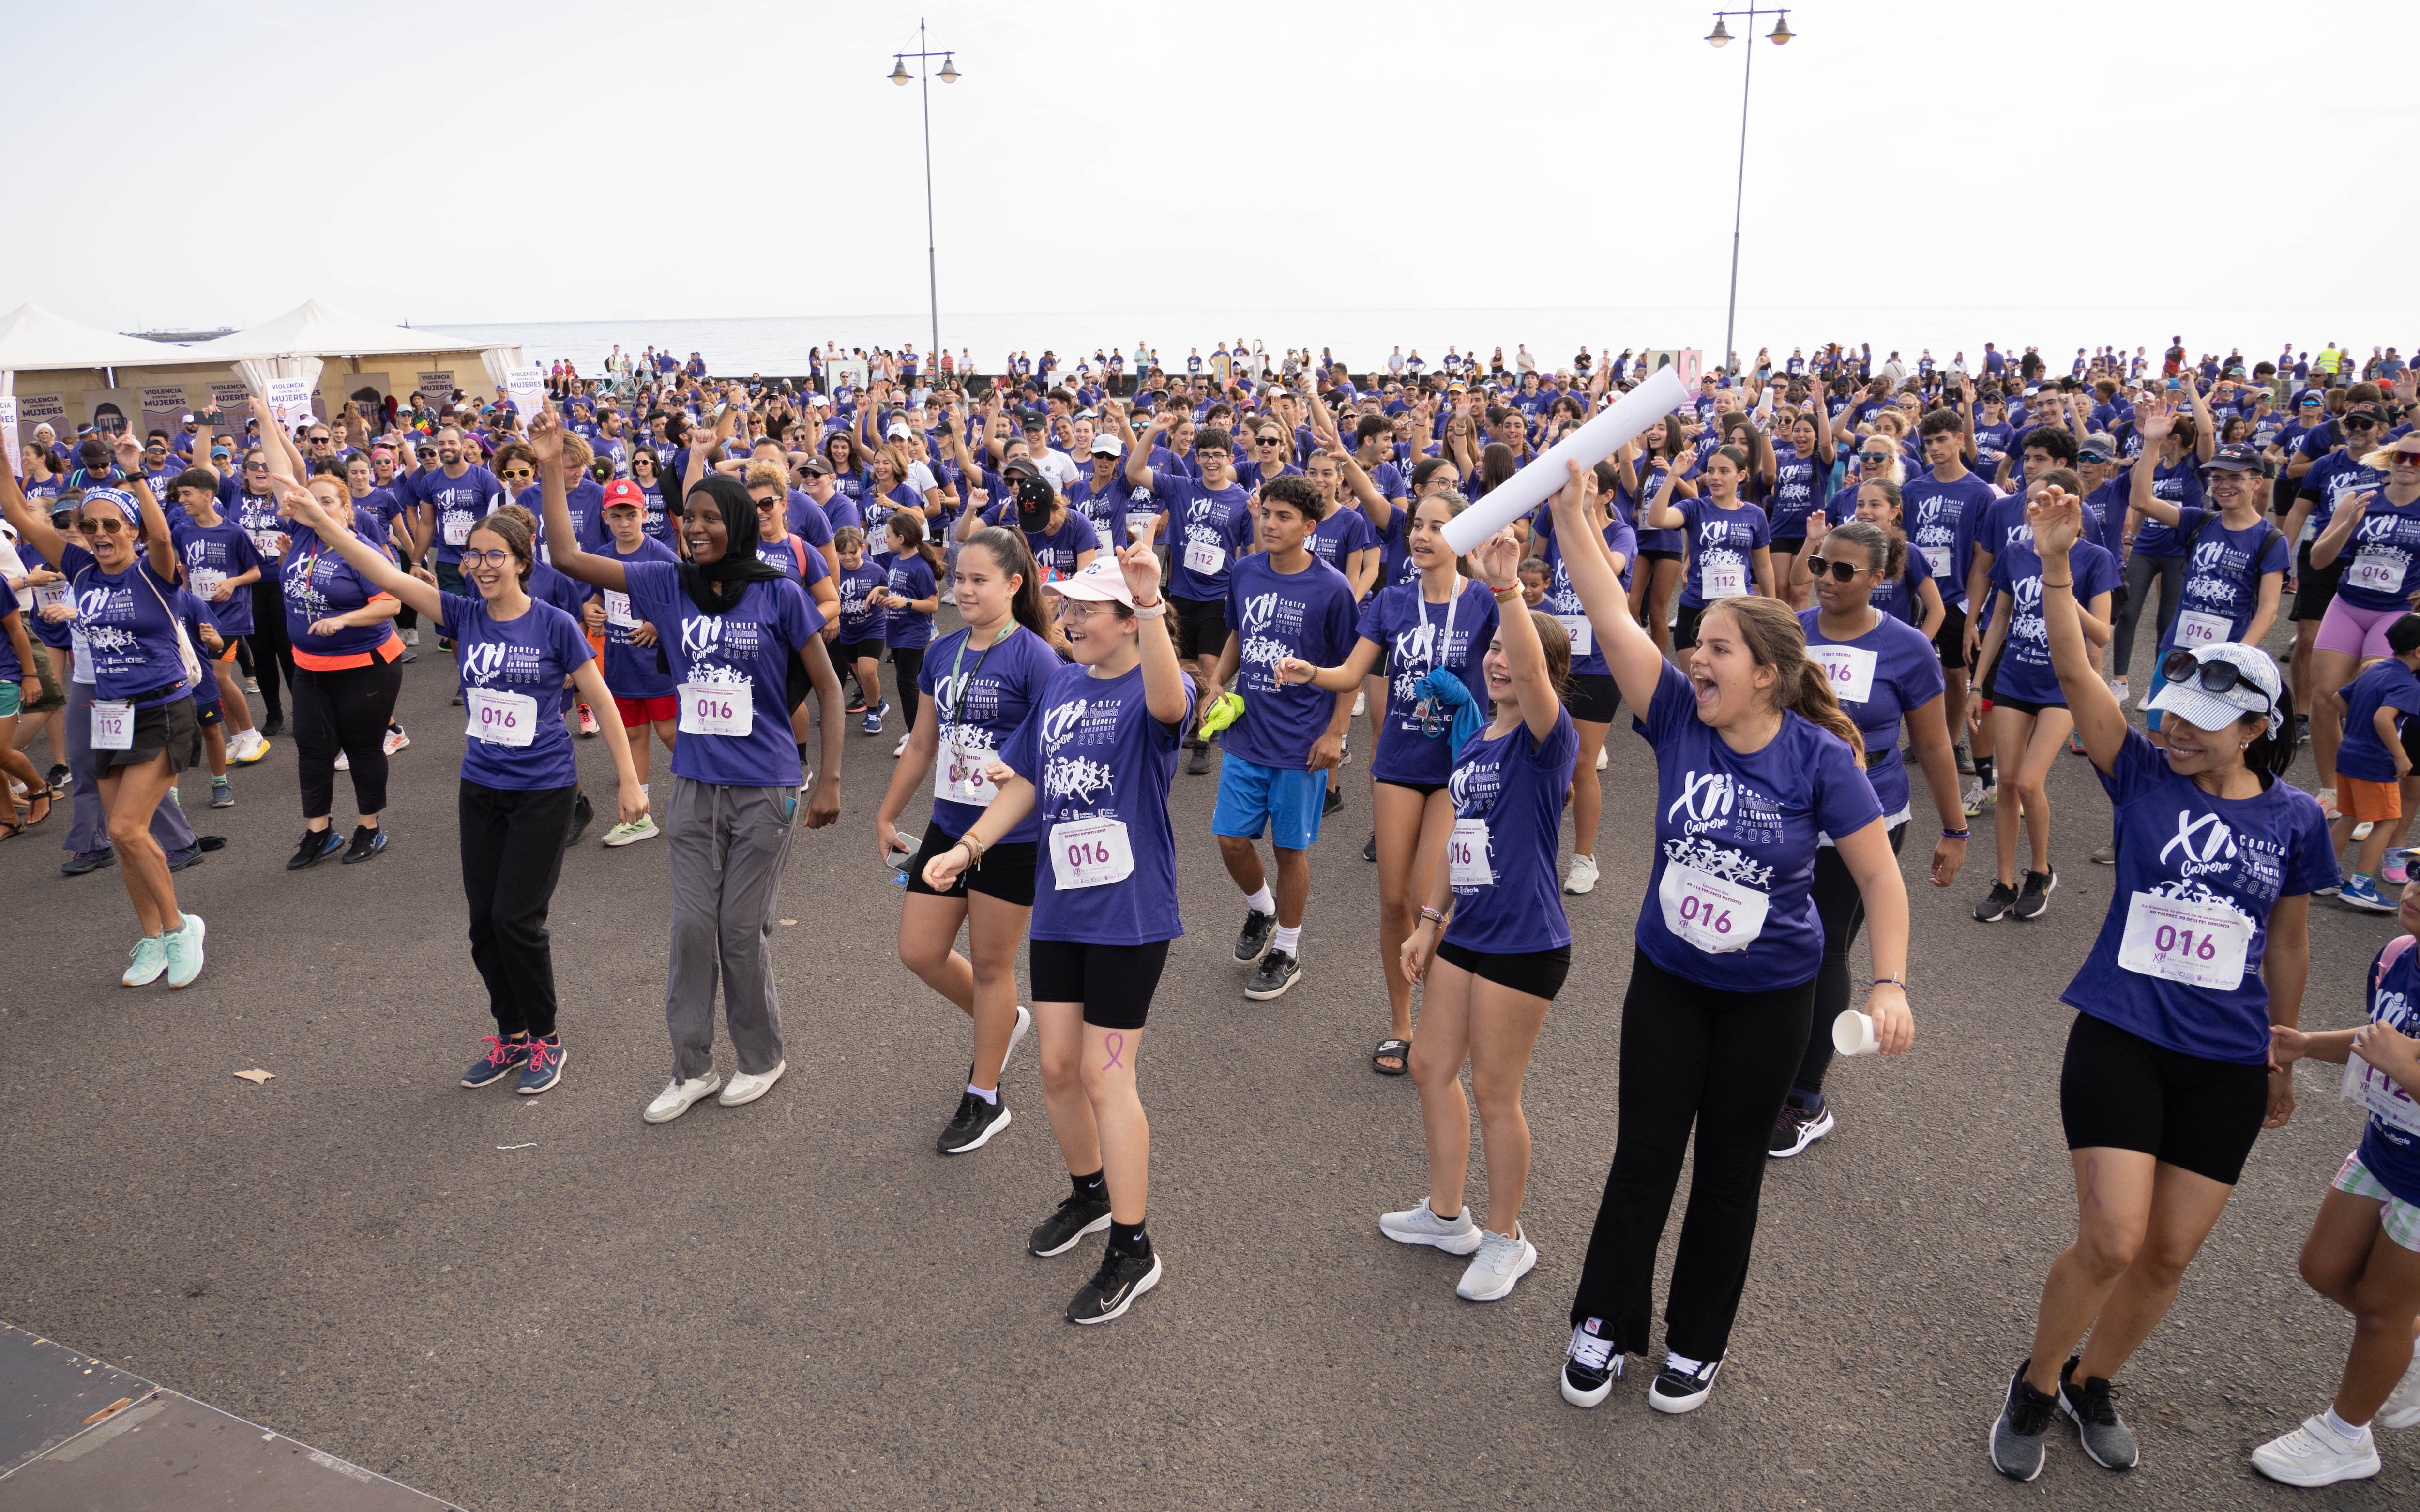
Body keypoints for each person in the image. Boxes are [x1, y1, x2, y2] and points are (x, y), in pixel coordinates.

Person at [1545, 460, 1911, 1415]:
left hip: (1769, 997)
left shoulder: (1819, 755)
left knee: (1726, 1172)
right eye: (1694, 642)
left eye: (1715, 646)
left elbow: (1877, 873)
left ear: (1766, 670)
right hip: (1667, 978)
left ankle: (1697, 1340)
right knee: (1644, 1155)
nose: (1694, 656)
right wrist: (1573, 516)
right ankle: (1605, 1320)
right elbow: (1613, 614)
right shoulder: (1677, 716)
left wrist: (1890, 981)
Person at [1988, 487, 2329, 1482]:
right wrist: (2057, 563)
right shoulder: (2138, 772)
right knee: (2110, 1236)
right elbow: (2069, 666)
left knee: (2169, 1254)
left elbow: (2292, 943)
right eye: (2174, 709)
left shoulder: (2298, 819)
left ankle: (2097, 1377)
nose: (2179, 728)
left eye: (2204, 718)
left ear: (2257, 724)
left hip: (2226, 1055)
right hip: (2124, 1033)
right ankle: (2039, 1378)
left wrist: (2284, 1049)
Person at [275, 476, 644, 1095]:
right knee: (482, 922)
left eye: (494, 555)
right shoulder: (463, 614)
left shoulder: (555, 624)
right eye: (473, 555)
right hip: (481, 786)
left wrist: (628, 785)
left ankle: (547, 1039)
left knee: (517, 919)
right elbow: (386, 575)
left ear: (522, 562)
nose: (479, 566)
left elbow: (602, 701)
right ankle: (512, 1034)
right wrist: (320, 519)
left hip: (543, 789)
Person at [532, 406, 845, 1126]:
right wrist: (552, 466)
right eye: (688, 518)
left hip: (767, 788)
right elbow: (567, 558)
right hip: (697, 788)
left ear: (737, 522)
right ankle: (693, 1067)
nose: (695, 528)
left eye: (710, 518)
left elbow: (827, 686)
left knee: (740, 930)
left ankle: (762, 1057)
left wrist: (828, 777)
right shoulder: (665, 584)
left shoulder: (778, 591)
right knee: (689, 931)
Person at [921, 548, 1194, 1326]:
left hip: (1131, 915)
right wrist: (966, 849)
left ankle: (1135, 1248)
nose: (1069, 618)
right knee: (1054, 1066)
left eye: (1087, 610)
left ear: (1128, 621)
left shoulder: (1150, 687)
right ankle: (1092, 1195)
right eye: (1067, 607)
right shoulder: (1065, 684)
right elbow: (1030, 782)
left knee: (1110, 1077)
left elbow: (1175, 706)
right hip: (1065, 906)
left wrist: (1147, 604)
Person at [1381, 524, 1576, 1302]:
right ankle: (1446, 1214)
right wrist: (1428, 923)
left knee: (1496, 1092)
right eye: (1491, 648)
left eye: (1511, 653)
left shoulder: (1544, 738)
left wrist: (1506, 592)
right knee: (1430, 1065)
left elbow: (1531, 666)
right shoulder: (1476, 744)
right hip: (1466, 932)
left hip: (1525, 943)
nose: (1498, 658)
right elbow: (1463, 846)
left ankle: (1507, 1237)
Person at [1275, 490, 1495, 1074]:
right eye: (1417, 525)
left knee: (1431, 901)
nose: (1421, 536)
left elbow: (1521, 659)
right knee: (1394, 899)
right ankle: (1402, 1024)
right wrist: (1309, 672)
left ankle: (1441, 1022)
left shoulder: (1483, 603)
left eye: (1437, 527)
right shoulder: (1391, 601)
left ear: (1463, 537)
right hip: (1398, 759)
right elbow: (1352, 670)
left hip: (1457, 765)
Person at [1769, 519, 1967, 1157]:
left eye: (1844, 571)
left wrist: (1955, 827)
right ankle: (1771, 1065)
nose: (1826, 578)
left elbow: (1934, 744)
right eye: (1821, 566)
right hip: (1783, 817)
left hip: (1866, 821)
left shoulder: (1908, 647)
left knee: (1823, 950)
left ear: (1879, 580)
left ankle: (1805, 1098)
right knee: (1774, 946)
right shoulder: (1791, 632)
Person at [876, 526, 1062, 1153]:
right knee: (919, 949)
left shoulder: (1036, 657)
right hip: (948, 823)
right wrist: (887, 811)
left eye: (979, 579)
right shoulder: (943, 651)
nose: (966, 589)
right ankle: (1002, 1024)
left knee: (990, 965)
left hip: (1012, 836)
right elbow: (924, 742)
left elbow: (1046, 754)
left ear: (1013, 584)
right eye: (959, 578)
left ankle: (985, 1095)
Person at [0, 450, 210, 986]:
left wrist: (136, 476)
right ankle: (155, 938)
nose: (98, 534)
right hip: (109, 713)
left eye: (110, 525)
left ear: (131, 529)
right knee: (123, 838)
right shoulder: (79, 568)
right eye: (88, 526)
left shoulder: (154, 570)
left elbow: (163, 540)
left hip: (163, 709)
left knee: (124, 825)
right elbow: (22, 515)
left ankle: (182, 925)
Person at [2256, 886, 2420, 1485]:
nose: (2416, 887)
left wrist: (2406, 1067)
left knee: (2382, 1312)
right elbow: (2379, 1034)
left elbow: (2397, 1054)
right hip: (2384, 1150)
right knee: (2322, 1266)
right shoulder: (2397, 953)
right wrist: (2307, 1044)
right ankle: (2409, 1344)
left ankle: (2344, 1436)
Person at [1207, 474, 1359, 1001]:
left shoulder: (1332, 588)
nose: (1270, 523)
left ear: (1309, 527)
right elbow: (1236, 634)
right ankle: (1261, 910)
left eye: (1284, 516)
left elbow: (1349, 667)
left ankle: (1287, 950)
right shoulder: (1245, 570)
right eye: (1266, 513)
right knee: (1230, 839)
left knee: (1289, 850)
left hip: (1301, 745)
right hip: (1246, 734)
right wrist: (1214, 683)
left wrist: (1335, 732)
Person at [1968, 471, 2121, 922]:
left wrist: (2061, 583)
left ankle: (2040, 871)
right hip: (2014, 680)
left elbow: (2102, 635)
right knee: (2008, 784)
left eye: (2049, 500)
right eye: (2032, 501)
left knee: (2031, 783)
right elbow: (1999, 619)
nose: (2038, 508)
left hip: (2062, 686)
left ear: (2074, 511)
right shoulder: (2015, 554)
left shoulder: (2095, 559)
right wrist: (1978, 685)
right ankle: (2004, 882)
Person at [259, 415, 404, 868]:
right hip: (311, 667)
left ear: (345, 510)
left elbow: (391, 604)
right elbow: (284, 469)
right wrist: (265, 419)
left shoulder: (359, 546)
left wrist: (345, 620)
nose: (314, 507)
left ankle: (369, 828)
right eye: (310, 501)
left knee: (362, 748)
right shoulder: (302, 534)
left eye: (326, 502)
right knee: (313, 748)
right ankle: (319, 833)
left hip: (367, 664)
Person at [592, 478, 680, 846]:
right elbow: (593, 596)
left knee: (671, 733)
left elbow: (687, 599)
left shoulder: (661, 555)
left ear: (645, 514)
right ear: (606, 517)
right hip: (621, 663)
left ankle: (718, 791)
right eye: (617, 515)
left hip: (658, 667)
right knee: (633, 735)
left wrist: (658, 625)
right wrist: (591, 609)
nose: (625, 522)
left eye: (632, 514)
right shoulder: (600, 556)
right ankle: (640, 817)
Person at [1638, 442, 1775, 650]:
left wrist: (1772, 608)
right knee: (1696, 681)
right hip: (1695, 608)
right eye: (1710, 471)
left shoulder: (1755, 514)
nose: (1715, 477)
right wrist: (1673, 475)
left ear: (1741, 475)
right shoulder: (1694, 507)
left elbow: (1764, 566)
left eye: (1724, 471)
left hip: (1738, 610)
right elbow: (1657, 519)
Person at [2326, 616, 2420, 912]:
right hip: (2375, 763)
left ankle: (2323, 875)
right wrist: (2400, 754)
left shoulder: (2375, 669)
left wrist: (2357, 726)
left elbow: (2337, 698)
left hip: (2349, 755)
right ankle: (2361, 885)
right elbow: (2383, 719)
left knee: (2350, 815)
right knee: (2387, 821)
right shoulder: (2408, 684)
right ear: (2418, 651)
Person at [867, 510, 942, 758]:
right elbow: (900, 590)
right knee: (915, 684)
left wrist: (906, 603)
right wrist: (882, 591)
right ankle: (923, 730)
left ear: (901, 538)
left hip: (914, 633)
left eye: (888, 536)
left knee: (907, 683)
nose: (883, 540)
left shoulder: (920, 566)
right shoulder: (898, 561)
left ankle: (915, 736)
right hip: (897, 632)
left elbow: (932, 604)